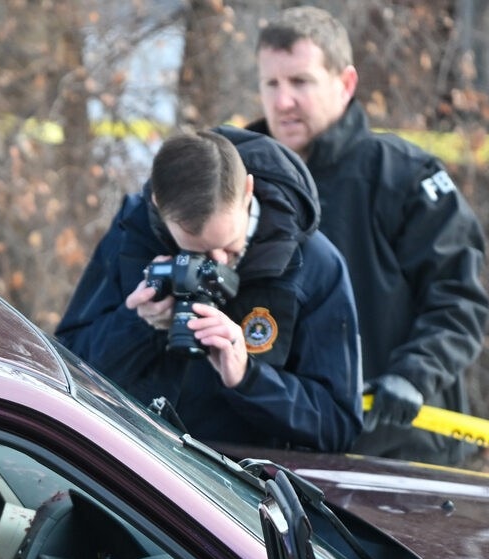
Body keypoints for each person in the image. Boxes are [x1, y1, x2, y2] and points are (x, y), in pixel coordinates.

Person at [252, 6, 489, 464]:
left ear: (345, 85)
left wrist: (414, 376)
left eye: (300, 82)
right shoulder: (235, 178)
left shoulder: (403, 176)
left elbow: (458, 300)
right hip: (269, 458)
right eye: (271, 84)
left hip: (396, 458)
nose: (283, 102)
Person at [56, 128, 363, 454]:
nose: (216, 264)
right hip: (129, 470)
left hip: (235, 492)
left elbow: (338, 425)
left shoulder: (312, 264)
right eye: (195, 253)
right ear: (160, 206)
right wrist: (136, 325)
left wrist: (248, 378)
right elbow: (67, 371)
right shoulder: (133, 236)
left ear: (248, 191)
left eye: (229, 249)